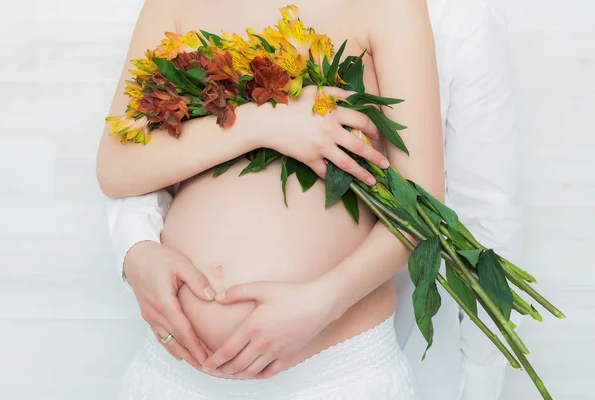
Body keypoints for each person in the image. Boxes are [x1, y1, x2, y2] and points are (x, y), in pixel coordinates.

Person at [99, 0, 521, 399]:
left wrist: (322, 303)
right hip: (174, 374)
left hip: (334, 374)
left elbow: (420, 211)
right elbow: (116, 167)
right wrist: (259, 123)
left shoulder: (391, 7)